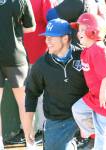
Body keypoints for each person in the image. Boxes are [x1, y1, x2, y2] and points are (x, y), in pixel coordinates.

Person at [25, 18, 106, 150]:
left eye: (52, 38)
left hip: (89, 112)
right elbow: (31, 94)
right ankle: (77, 142)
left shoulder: (84, 54)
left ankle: (90, 138)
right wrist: (28, 126)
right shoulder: (41, 65)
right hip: (60, 120)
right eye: (47, 37)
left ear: (65, 38)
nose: (47, 41)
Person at [6, 0, 58, 145]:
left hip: (39, 54)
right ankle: (26, 131)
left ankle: (43, 130)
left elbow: (53, 22)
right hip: (16, 57)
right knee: (25, 95)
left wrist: (52, 48)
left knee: (40, 94)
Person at [71, 12, 106, 150]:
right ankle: (93, 132)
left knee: (102, 138)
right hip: (95, 96)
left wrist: (102, 94)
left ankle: (100, 135)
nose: (79, 33)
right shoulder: (87, 50)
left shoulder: (97, 49)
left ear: (93, 31)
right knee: (78, 109)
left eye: (83, 29)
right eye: (79, 30)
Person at [0, 0, 36, 149]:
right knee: (23, 102)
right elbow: (31, 27)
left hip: (14, 55)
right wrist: (13, 28)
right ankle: (30, 143)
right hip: (15, 54)